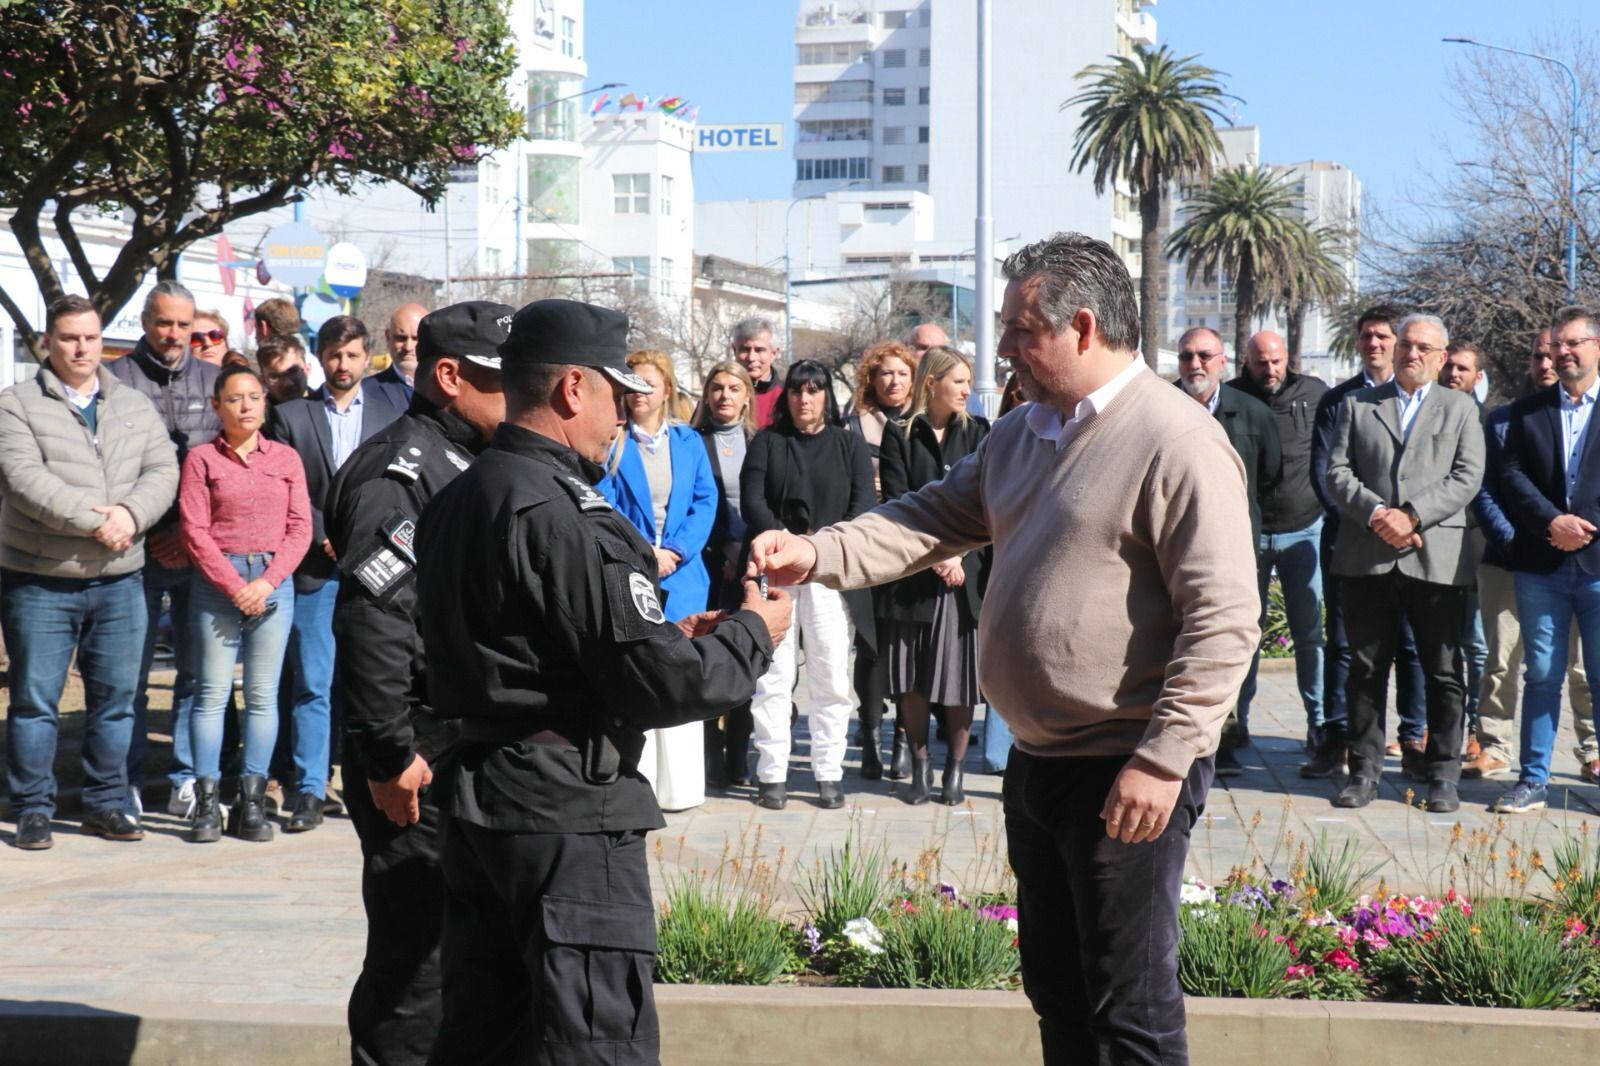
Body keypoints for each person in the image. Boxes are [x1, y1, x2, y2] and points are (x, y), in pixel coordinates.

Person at [750, 232, 1259, 1064]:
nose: (1004, 349)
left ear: (1082, 328)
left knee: (1129, 1010)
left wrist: (1165, 760)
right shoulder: (1024, 433)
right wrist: (817, 554)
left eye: (1021, 330)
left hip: (1126, 768)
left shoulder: (1177, 440)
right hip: (1038, 763)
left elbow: (1226, 618)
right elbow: (925, 519)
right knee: (1059, 997)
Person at [413, 298, 789, 1064]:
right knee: (593, 1041)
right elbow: (659, 685)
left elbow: (540, 639)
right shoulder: (565, 513)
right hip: (565, 810)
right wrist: (755, 632)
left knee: (485, 1038)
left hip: (481, 799)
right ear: (572, 390)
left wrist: (667, 632)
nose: (625, 413)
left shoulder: (459, 497)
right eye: (618, 394)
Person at [324, 300, 511, 1065]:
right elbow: (375, 624)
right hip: (417, 753)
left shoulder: (470, 458)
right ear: (448, 377)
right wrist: (387, 754)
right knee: (416, 960)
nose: (518, 395)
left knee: (467, 953)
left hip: (466, 745)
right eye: (503, 381)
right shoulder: (401, 472)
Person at [0, 296, 179, 849]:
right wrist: (94, 522)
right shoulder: (16, 405)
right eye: (70, 338)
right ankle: (32, 806)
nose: (82, 348)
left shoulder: (131, 402)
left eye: (91, 337)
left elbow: (163, 466)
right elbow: (23, 477)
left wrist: (132, 515)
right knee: (35, 702)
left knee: (117, 699)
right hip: (40, 577)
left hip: (121, 577)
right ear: (47, 343)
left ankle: (107, 803)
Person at [1324, 314, 1484, 813]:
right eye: (1406, 346)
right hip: (1367, 556)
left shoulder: (1461, 409)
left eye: (1423, 348)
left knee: (1442, 670)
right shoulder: (1357, 404)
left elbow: (1467, 476)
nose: (1412, 354)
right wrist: (1377, 514)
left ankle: (1442, 775)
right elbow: (1336, 470)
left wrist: (1411, 515)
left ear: (1441, 358)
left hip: (1433, 557)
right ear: (1394, 352)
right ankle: (1365, 771)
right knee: (1366, 669)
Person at [266, 315, 408, 832]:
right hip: (316, 568)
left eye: (351, 355)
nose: (342, 365)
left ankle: (372, 777)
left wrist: (366, 535)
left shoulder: (396, 409)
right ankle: (308, 788)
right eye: (332, 355)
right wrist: (325, 530)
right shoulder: (292, 417)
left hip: (379, 567)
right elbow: (288, 487)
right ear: (317, 357)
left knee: (377, 678)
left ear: (368, 355)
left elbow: (402, 482)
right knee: (313, 682)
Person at [179, 365, 311, 843]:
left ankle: (252, 801)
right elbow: (194, 530)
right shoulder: (200, 461)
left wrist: (269, 581)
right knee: (211, 693)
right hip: (219, 582)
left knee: (261, 695)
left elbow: (300, 528)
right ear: (217, 406)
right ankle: (208, 802)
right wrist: (235, 584)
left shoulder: (286, 459)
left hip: (274, 582)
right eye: (235, 399)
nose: (246, 406)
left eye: (254, 397)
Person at [741, 359, 875, 810]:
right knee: (774, 676)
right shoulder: (767, 442)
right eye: (797, 391)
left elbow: (863, 506)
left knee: (831, 674)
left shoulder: (849, 445)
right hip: (775, 569)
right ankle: (772, 773)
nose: (805, 399)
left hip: (829, 572)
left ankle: (828, 772)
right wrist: (783, 542)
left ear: (826, 397)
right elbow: (752, 501)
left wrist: (818, 548)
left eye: (814, 391)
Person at [109, 280, 220, 820]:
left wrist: (188, 532)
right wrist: (152, 525)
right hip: (135, 551)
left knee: (198, 676)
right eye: (163, 322)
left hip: (200, 553)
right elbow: (108, 468)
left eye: (183, 323)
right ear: (145, 322)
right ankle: (123, 782)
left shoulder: (217, 383)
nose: (173, 334)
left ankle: (185, 779)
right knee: (127, 676)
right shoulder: (116, 380)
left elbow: (227, 469)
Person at [1469, 328, 1600, 781]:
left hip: (1588, 560)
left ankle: (1591, 751)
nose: (1550, 362)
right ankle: (1511, 759)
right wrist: (1528, 535)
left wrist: (1580, 531)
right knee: (1517, 665)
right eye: (1540, 355)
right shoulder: (1509, 418)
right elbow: (1495, 485)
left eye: (1560, 351)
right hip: (1521, 559)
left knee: (1588, 671)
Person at [1311, 304, 1430, 777]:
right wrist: (1373, 519)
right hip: (1351, 542)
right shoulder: (1339, 400)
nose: (1375, 344)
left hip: (1412, 543)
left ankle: (1413, 737)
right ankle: (1338, 735)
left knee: (1411, 645)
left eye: (1384, 336)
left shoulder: (1425, 401)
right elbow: (1324, 472)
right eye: (1367, 337)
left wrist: (1405, 523)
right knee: (1343, 644)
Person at [598, 349, 718, 812]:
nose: (639, 394)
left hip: (684, 574)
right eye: (632, 385)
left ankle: (682, 787)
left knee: (684, 672)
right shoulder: (613, 442)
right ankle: (641, 779)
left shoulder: (689, 442)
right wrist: (645, 551)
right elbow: (604, 502)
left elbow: (704, 502)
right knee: (643, 670)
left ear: (666, 389)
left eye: (648, 384)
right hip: (634, 571)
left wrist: (675, 551)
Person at [877, 345, 988, 804]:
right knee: (914, 678)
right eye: (958, 380)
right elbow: (899, 503)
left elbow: (988, 504)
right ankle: (920, 765)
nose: (966, 389)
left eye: (967, 381)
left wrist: (958, 555)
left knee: (958, 679)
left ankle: (955, 771)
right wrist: (937, 556)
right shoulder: (899, 433)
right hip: (912, 578)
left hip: (965, 578)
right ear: (932, 383)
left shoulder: (981, 433)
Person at [1226, 331, 1335, 777]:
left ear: (1287, 358)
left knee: (1310, 635)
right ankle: (1235, 726)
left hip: (1303, 530)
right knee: (1241, 637)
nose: (1269, 370)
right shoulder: (1231, 397)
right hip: (1247, 535)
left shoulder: (1315, 394)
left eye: (1275, 361)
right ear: (1244, 361)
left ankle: (1319, 725)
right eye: (1260, 363)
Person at [1175, 327, 1281, 778]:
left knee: (1234, 643)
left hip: (1235, 549)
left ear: (1223, 362)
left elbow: (1270, 476)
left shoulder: (1254, 414)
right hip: (1172, 548)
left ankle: (1230, 736)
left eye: (1204, 356)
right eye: (1186, 357)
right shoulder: (1159, 408)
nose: (1195, 364)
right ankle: (1179, 737)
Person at [845, 340, 918, 780]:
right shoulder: (853, 426)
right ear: (871, 379)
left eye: (902, 373)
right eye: (885, 373)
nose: (893, 381)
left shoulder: (920, 425)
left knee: (905, 648)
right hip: (864, 542)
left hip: (907, 545)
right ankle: (871, 734)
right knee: (870, 648)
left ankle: (904, 740)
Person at [691, 361, 759, 787]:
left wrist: (747, 548)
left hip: (753, 565)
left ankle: (738, 756)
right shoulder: (692, 440)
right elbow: (696, 500)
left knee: (745, 659)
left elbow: (766, 499)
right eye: (717, 387)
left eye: (734, 388)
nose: (725, 396)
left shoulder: (761, 442)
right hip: (709, 563)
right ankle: (708, 759)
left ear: (747, 395)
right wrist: (724, 546)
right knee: (707, 659)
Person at [1438, 341, 1490, 757]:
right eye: (1449, 366)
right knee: (1435, 646)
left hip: (1475, 546)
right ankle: (1431, 729)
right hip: (1433, 544)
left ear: (1477, 377)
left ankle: (1477, 730)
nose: (1454, 374)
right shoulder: (1427, 417)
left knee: (1476, 644)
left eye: (1463, 369)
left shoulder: (1490, 421)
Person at [731, 316, 784, 428]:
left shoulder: (786, 397)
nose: (751, 357)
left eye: (759, 350)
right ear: (734, 350)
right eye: (745, 349)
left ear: (774, 353)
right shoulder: (720, 394)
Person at [379, 303, 427, 389]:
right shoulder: (366, 392)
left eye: (416, 338)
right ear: (388, 337)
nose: (408, 347)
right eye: (401, 338)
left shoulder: (451, 388)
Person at [258, 334, 311, 406]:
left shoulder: (326, 406)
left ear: (307, 369)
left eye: (293, 371)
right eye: (275, 377)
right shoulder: (260, 415)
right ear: (263, 381)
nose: (287, 383)